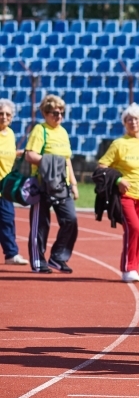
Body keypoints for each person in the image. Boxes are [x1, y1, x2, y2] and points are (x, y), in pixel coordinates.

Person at [97, 104, 139, 283]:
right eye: (129, 119)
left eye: (136, 119)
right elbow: (101, 167)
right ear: (124, 123)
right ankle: (128, 268)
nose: (133, 122)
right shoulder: (118, 144)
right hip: (125, 196)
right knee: (133, 229)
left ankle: (135, 267)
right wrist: (119, 180)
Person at [25, 94, 79, 274]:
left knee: (70, 219)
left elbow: (67, 160)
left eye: (62, 113)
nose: (59, 116)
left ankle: (58, 257)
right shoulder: (40, 130)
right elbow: (30, 155)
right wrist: (51, 162)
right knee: (40, 224)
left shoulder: (63, 132)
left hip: (61, 185)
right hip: (42, 183)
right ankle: (38, 260)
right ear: (45, 113)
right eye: (55, 113)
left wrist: (73, 183)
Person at [0, 99, 27, 266]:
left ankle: (11, 254)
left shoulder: (10, 134)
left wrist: (22, 153)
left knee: (7, 220)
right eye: (1, 113)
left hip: (5, 187)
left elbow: (7, 153)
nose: (4, 117)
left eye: (7, 114)